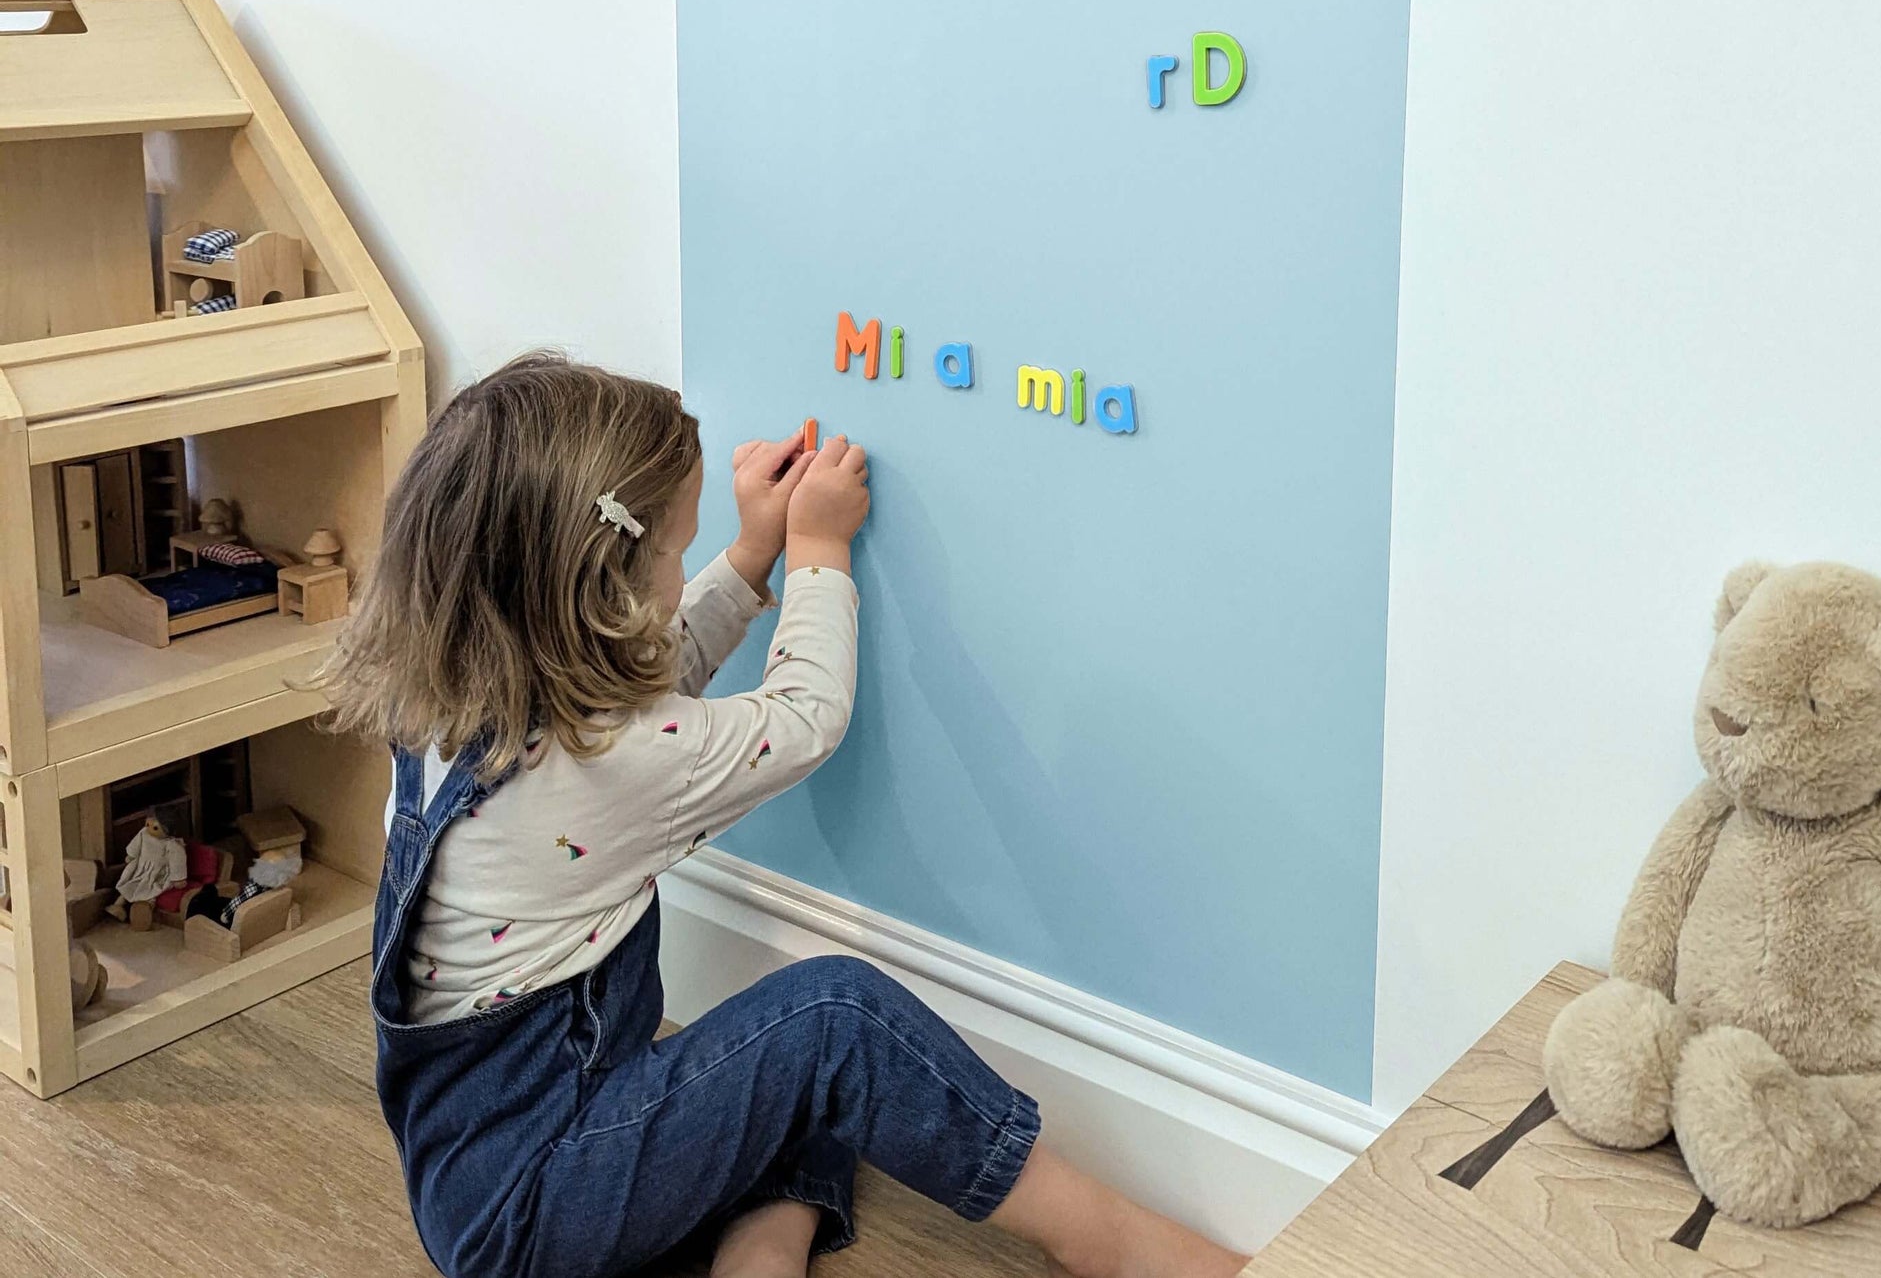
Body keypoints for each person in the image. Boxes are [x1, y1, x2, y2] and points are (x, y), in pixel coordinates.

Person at [324, 351, 1247, 1278]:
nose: (686, 572)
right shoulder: (610, 761)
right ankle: (1107, 1242)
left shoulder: (452, 703)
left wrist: (749, 553)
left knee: (782, 1071)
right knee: (838, 1020)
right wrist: (818, 553)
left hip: (473, 1176)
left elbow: (632, 706)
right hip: (537, 1209)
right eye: (679, 554)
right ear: (601, 587)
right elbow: (803, 722)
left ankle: (762, 1249)